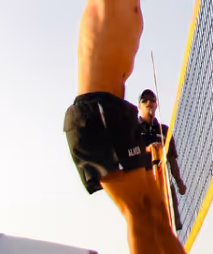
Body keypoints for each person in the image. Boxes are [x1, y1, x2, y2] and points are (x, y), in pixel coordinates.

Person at [62, 0, 185, 253]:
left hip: (116, 111)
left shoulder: (137, 13)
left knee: (157, 211)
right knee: (139, 210)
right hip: (96, 109)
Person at [137, 89, 188, 231]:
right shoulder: (133, 130)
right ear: (139, 106)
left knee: (171, 229)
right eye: (144, 100)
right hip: (144, 186)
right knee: (148, 231)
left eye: (152, 100)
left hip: (165, 186)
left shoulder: (164, 131)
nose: (149, 103)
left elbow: (172, 159)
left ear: (156, 105)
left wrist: (179, 182)